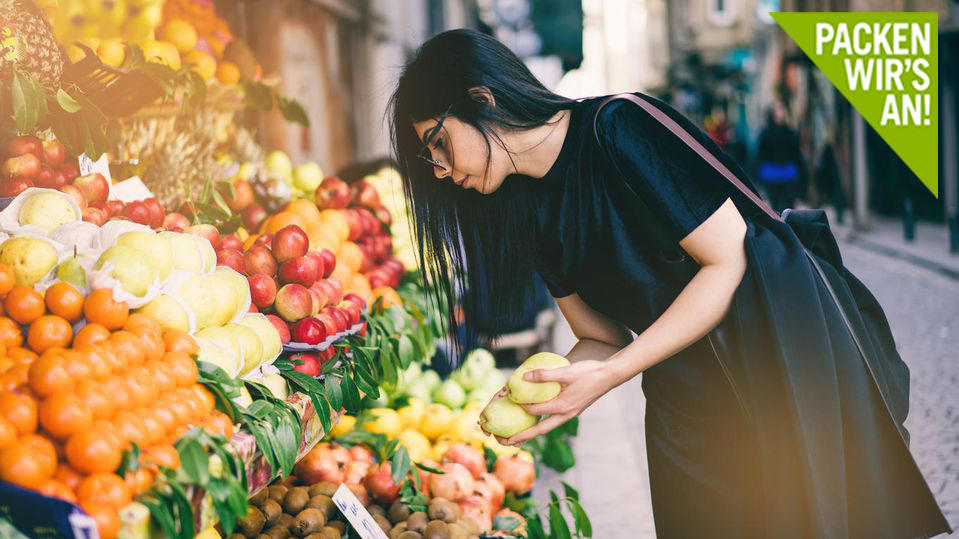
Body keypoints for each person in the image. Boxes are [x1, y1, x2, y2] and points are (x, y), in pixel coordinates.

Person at [388, 29, 950, 538]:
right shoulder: (530, 213)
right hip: (685, 408)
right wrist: (550, 395)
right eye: (427, 158)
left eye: (437, 143)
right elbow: (602, 337)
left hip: (777, 367)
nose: (440, 170)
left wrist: (610, 374)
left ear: (482, 100)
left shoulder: (619, 126)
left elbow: (727, 262)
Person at [756, 101, 807, 212]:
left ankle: (786, 226)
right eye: (777, 110)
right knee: (775, 207)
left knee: (788, 207)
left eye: (781, 110)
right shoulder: (766, 134)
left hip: (787, 174)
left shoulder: (790, 133)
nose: (780, 113)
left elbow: (796, 154)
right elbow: (761, 155)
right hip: (772, 174)